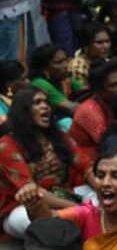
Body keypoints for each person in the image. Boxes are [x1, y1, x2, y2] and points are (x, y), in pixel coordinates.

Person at [1, 88, 94, 238]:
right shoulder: (7, 144)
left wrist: (104, 194)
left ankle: (78, 224)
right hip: (24, 207)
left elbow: (86, 167)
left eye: (46, 102)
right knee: (32, 221)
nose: (45, 106)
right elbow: (32, 191)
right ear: (23, 111)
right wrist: (80, 210)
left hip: (64, 195)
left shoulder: (59, 136)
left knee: (105, 194)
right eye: (37, 102)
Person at [69, 61, 117, 160]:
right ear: (99, 91)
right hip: (92, 163)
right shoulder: (89, 111)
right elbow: (111, 143)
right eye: (114, 85)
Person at [29, 44, 83, 126]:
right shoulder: (39, 83)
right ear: (45, 69)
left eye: (66, 60)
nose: (65, 65)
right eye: (59, 62)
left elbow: (88, 93)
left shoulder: (64, 79)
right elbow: (72, 109)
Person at [68, 22, 112, 90]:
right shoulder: (78, 67)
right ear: (87, 44)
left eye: (107, 41)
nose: (106, 46)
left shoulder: (105, 60)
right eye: (99, 42)